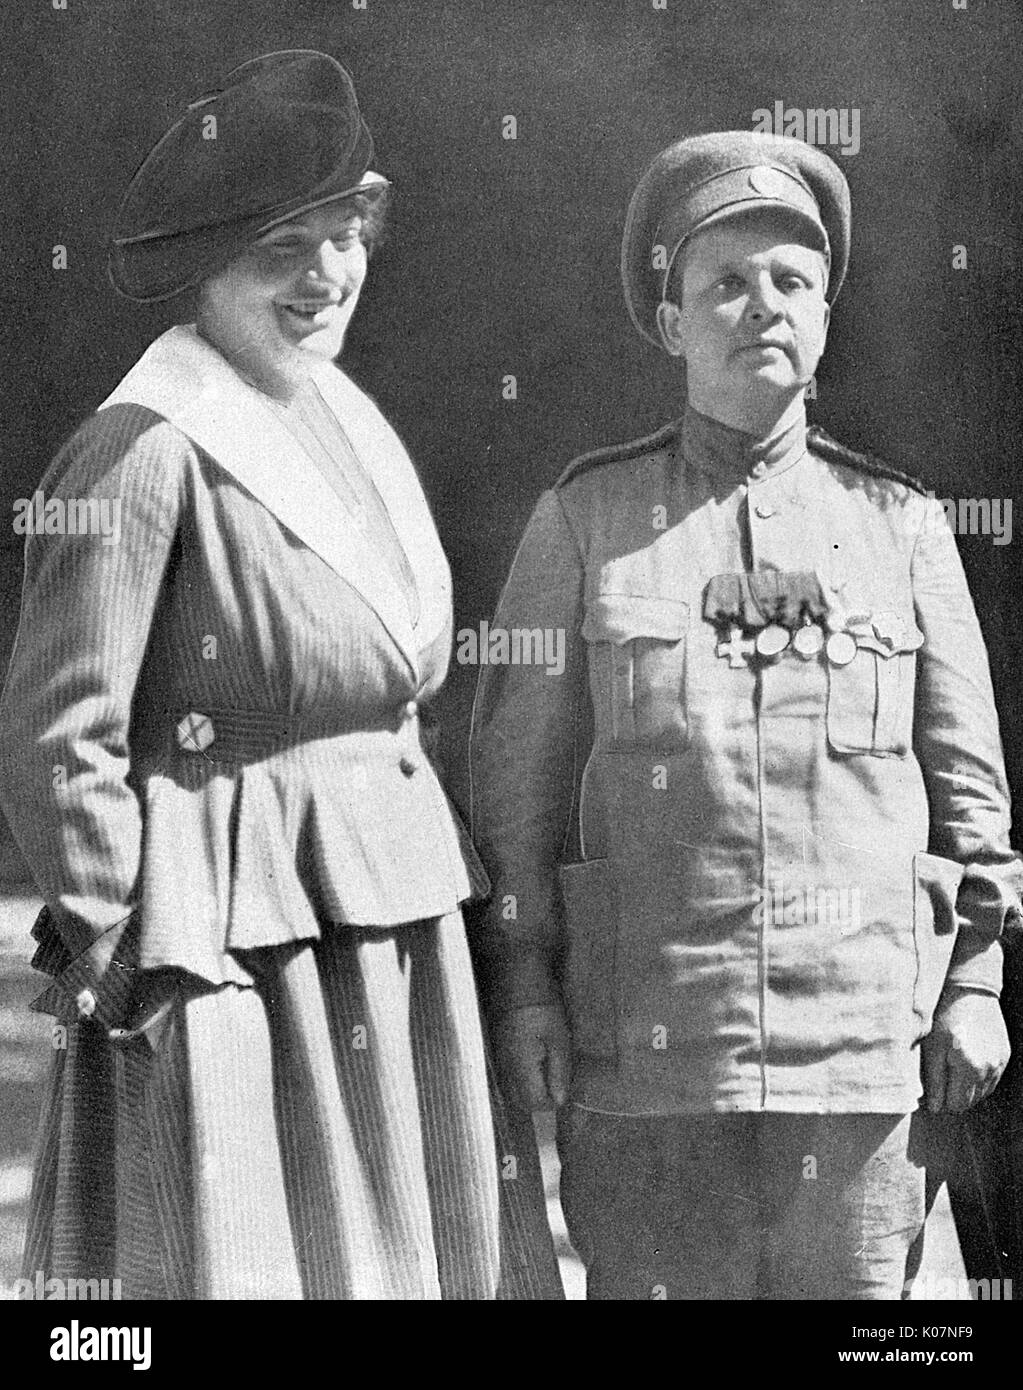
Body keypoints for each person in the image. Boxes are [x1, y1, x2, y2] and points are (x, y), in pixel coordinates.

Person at [0, 49, 560, 1300]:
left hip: (398, 935)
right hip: (230, 960)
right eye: (277, 251)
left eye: (340, 236)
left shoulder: (337, 416)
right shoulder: (143, 448)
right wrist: (131, 962)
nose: (323, 277)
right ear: (204, 272)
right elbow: (57, 735)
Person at [469, 130, 1022, 1300]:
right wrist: (523, 986)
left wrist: (975, 980)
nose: (759, 307)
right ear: (672, 322)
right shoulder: (586, 521)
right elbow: (512, 798)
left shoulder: (904, 527)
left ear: (823, 320)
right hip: (650, 1063)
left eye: (790, 283)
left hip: (865, 1052)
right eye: (723, 283)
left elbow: (971, 791)